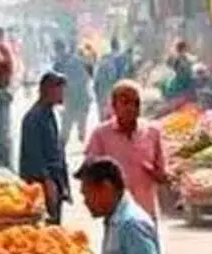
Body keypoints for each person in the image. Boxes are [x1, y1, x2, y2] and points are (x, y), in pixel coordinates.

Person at [84, 81, 169, 220]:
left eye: (136, 103)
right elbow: (89, 173)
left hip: (147, 212)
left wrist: (154, 174)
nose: (131, 107)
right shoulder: (100, 134)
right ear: (114, 106)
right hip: (116, 215)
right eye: (125, 102)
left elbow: (163, 174)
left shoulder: (152, 132)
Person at [19, 72, 70, 224]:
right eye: (59, 89)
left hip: (55, 182)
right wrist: (48, 183)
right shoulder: (33, 118)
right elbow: (35, 156)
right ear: (47, 90)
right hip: (42, 186)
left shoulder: (50, 114)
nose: (63, 94)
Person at [53, 39, 91, 147]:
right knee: (80, 127)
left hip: (72, 98)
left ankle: (63, 150)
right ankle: (84, 150)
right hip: (81, 97)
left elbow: (56, 83)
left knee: (67, 127)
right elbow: (87, 77)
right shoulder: (79, 60)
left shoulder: (60, 64)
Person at [93, 37, 123, 121]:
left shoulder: (104, 58)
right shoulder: (121, 59)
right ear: (118, 46)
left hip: (103, 90)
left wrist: (96, 90)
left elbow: (97, 78)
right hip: (115, 89)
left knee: (103, 116)